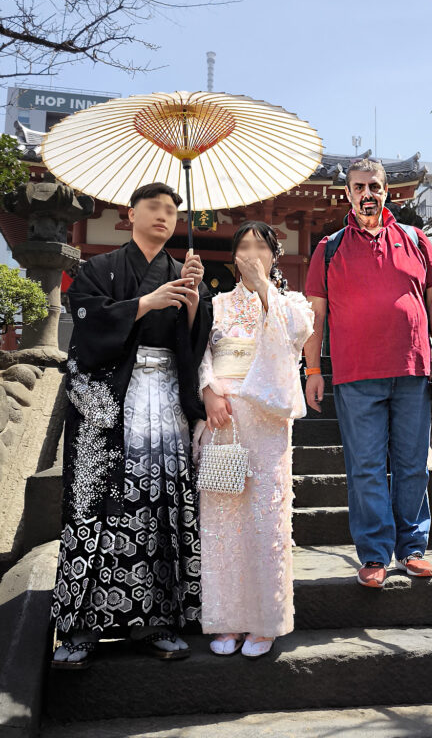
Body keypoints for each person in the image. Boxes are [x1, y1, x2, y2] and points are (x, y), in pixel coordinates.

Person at [51, 183, 212, 669]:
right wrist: (146, 302)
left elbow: (196, 342)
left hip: (165, 397)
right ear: (130, 214)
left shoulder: (180, 274)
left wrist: (192, 302)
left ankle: (156, 620)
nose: (163, 216)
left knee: (160, 502)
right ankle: (80, 630)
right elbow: (87, 321)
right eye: (154, 208)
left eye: (170, 210)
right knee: (95, 506)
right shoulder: (97, 269)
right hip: (110, 401)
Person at [304, 158, 432, 589]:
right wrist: (313, 369)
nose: (367, 193)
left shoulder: (415, 239)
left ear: (388, 191)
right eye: (358, 186)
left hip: (411, 367)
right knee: (366, 467)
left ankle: (412, 549)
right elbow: (316, 314)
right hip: (355, 374)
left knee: (411, 465)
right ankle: (373, 553)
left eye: (375, 185)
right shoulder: (328, 247)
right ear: (347, 194)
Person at [196, 222, 314, 659]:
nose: (250, 253)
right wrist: (208, 391)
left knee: (266, 520)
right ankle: (226, 619)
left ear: (274, 255)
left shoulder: (292, 304)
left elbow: (295, 338)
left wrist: (266, 291)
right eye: (243, 246)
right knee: (223, 522)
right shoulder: (217, 303)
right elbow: (200, 352)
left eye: (260, 246)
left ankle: (266, 621)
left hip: (264, 418)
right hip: (222, 416)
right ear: (231, 258)